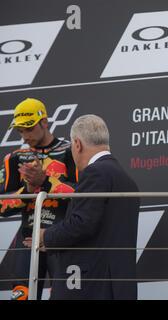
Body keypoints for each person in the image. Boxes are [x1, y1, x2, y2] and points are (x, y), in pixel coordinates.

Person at [26, 114, 140, 300]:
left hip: (90, 286)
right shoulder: (127, 180)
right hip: (117, 286)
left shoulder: (95, 172)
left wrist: (45, 236)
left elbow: (81, 223)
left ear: (77, 144)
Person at [0, 98, 77, 300]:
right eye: (20, 131)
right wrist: (28, 189)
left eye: (29, 129)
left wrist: (46, 180)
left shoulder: (70, 152)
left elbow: (82, 196)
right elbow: (1, 205)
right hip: (27, 239)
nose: (25, 136)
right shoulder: (15, 158)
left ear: (44, 122)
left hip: (61, 237)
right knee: (22, 297)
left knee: (62, 296)